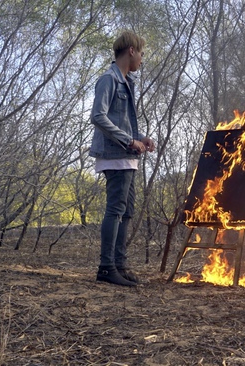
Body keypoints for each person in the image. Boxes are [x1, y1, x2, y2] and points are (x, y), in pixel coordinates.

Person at [89, 31, 155, 286]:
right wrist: (129, 141)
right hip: (115, 155)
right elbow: (98, 116)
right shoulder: (108, 79)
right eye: (141, 53)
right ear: (131, 51)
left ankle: (119, 265)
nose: (141, 59)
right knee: (115, 211)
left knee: (126, 211)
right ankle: (106, 268)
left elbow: (122, 122)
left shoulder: (127, 81)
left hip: (127, 157)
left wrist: (141, 138)